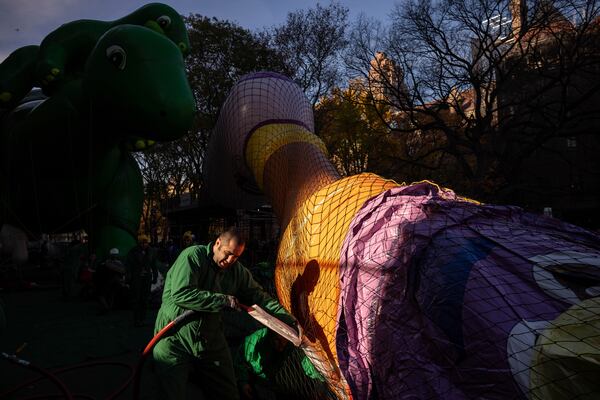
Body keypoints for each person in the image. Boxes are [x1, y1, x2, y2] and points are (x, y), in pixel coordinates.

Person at [152, 227, 298, 400]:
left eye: (236, 256)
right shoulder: (192, 256)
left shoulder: (237, 271)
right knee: (171, 394)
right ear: (217, 243)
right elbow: (181, 293)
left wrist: (288, 320)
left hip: (210, 339)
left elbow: (259, 297)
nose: (229, 260)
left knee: (227, 391)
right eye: (227, 253)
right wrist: (222, 300)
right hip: (174, 339)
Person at [235, 328, 328, 400]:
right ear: (271, 335)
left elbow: (305, 362)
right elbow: (240, 361)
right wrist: (244, 382)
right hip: (254, 376)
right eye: (277, 340)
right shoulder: (254, 342)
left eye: (284, 341)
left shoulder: (291, 341)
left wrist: (322, 377)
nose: (281, 345)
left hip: (271, 378)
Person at [127, 234, 158, 326]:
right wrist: (129, 277)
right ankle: (137, 320)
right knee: (137, 299)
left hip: (146, 278)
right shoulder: (133, 252)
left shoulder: (151, 251)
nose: (145, 245)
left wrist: (155, 276)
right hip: (136, 278)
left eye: (146, 243)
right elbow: (128, 265)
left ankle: (142, 319)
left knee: (144, 299)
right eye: (143, 243)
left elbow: (154, 265)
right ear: (139, 243)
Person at [95, 247, 127, 314]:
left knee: (102, 295)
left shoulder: (107, 262)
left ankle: (106, 308)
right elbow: (123, 271)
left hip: (108, 280)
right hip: (115, 280)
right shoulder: (118, 263)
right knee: (111, 294)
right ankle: (109, 307)